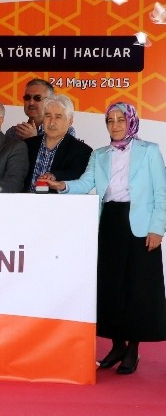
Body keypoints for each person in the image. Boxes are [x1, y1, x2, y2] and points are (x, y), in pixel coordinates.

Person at [42, 102, 166, 375]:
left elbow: (162, 192)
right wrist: (62, 185)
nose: (116, 125)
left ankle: (132, 350)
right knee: (110, 287)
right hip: (109, 222)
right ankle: (117, 346)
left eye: (121, 120)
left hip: (140, 227)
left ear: (131, 122)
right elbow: (86, 183)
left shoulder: (149, 150)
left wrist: (157, 228)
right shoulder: (100, 154)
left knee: (136, 288)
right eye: (110, 121)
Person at [23, 95, 92, 193]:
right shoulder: (27, 145)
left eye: (58, 117)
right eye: (48, 116)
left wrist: (55, 175)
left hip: (60, 202)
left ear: (70, 121)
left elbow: (76, 178)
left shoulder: (82, 151)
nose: (52, 122)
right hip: (24, 201)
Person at [6, 79, 74, 140]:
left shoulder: (65, 130)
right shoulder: (14, 132)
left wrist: (33, 139)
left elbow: (62, 151)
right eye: (27, 97)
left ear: (50, 101)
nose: (31, 102)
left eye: (37, 98)